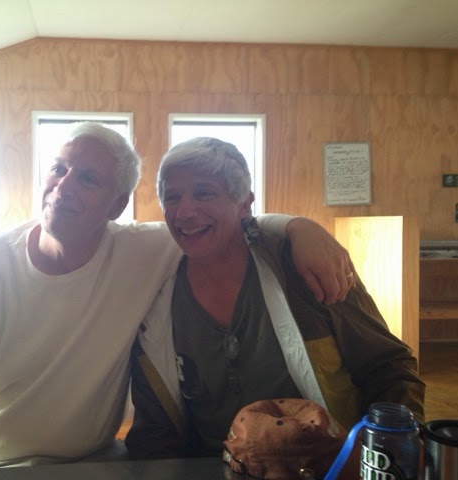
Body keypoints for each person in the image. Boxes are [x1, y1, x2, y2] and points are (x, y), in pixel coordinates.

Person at [0, 123, 355, 479]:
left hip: (93, 465)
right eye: (58, 168)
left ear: (117, 204)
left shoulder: (142, 251)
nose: (64, 186)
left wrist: (299, 227)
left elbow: (227, 223)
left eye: (88, 178)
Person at [125, 137, 425, 459]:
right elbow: (154, 427)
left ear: (244, 204)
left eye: (204, 193)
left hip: (325, 466)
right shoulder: (155, 292)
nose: (184, 212)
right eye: (172, 197)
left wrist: (387, 455)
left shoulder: (303, 268)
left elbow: (387, 367)